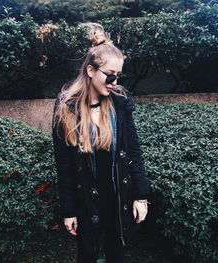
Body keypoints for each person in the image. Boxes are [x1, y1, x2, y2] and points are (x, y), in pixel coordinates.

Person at [52, 22, 150, 263]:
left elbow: (134, 152)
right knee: (87, 253)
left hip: (119, 196)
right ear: (90, 71)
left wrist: (141, 196)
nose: (115, 81)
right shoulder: (66, 108)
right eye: (110, 75)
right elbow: (63, 166)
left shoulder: (119, 102)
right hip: (86, 200)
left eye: (119, 75)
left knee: (117, 251)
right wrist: (69, 211)